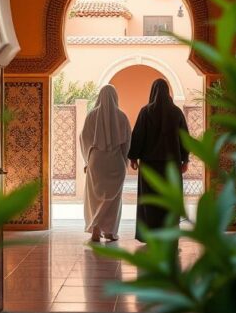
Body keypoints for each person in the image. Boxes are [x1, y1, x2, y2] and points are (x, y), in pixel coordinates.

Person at [127, 79, 189, 243]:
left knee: (151, 202)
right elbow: (184, 138)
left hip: (150, 167)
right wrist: (185, 160)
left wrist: (133, 156)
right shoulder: (176, 113)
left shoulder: (146, 112)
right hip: (172, 167)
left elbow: (138, 136)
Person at [80, 84, 132, 243]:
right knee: (113, 198)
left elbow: (84, 139)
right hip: (115, 162)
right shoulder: (122, 116)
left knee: (95, 197)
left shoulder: (91, 116)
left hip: (97, 162)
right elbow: (127, 142)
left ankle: (95, 228)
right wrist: (125, 161)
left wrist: (87, 159)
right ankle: (110, 232)